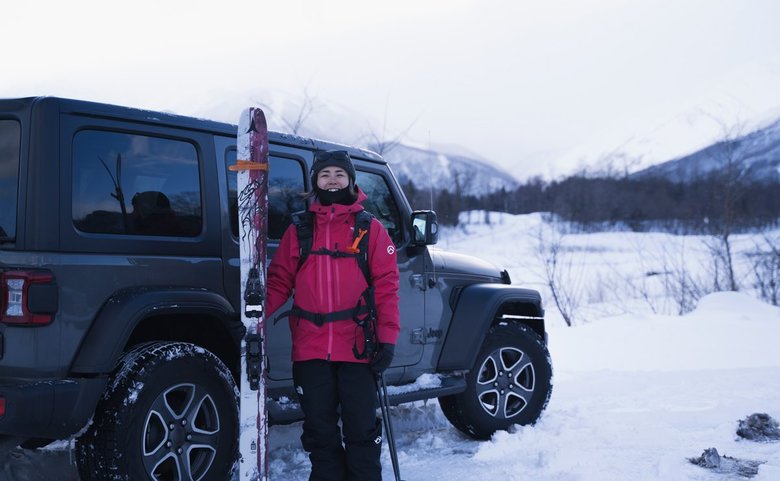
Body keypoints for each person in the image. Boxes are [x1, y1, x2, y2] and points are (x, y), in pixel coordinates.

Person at [266, 150, 400, 481]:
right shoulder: (299, 229)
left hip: (357, 347)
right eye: (325, 175)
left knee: (361, 432)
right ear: (315, 181)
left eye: (340, 174)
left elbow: (386, 288)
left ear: (351, 180)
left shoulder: (370, 229)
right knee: (320, 434)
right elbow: (279, 281)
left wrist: (387, 340)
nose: (333, 181)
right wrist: (248, 319)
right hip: (310, 349)